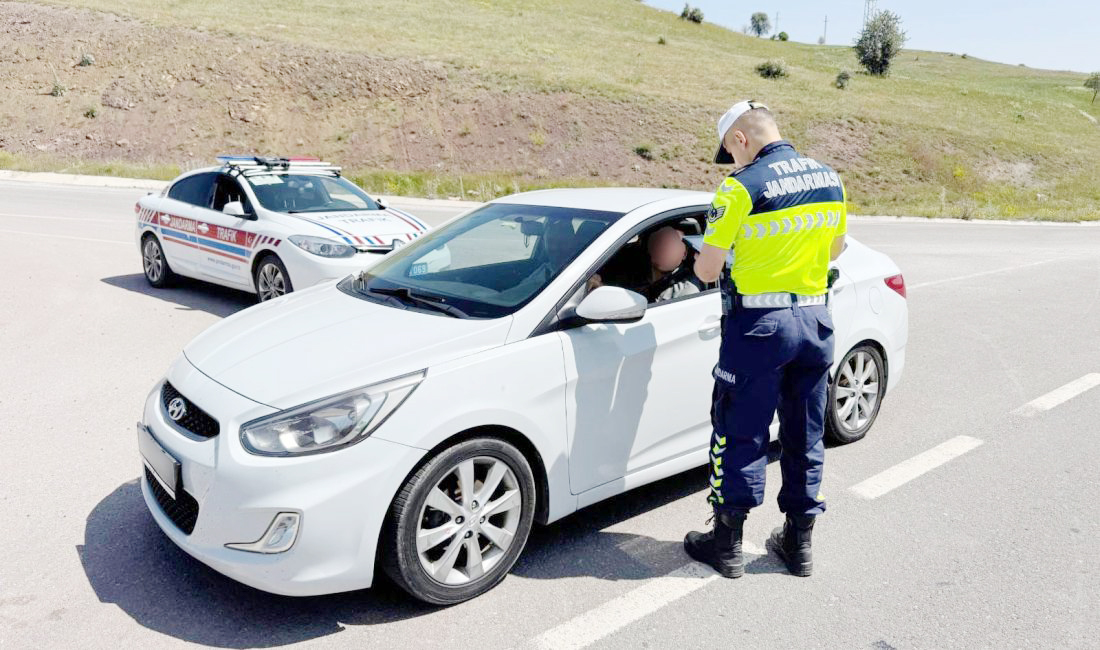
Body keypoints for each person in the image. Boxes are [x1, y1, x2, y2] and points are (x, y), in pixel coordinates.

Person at [683, 100, 847, 578]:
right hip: (815, 322)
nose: (731, 162)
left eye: (730, 152)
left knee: (741, 431)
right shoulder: (830, 178)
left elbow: (708, 268)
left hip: (758, 328)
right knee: (806, 433)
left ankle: (727, 543)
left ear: (740, 139)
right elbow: (835, 247)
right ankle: (798, 545)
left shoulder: (739, 187)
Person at [587, 226, 702, 302]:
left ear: (684, 254)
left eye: (673, 245)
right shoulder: (631, 271)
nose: (666, 248)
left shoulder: (687, 291)